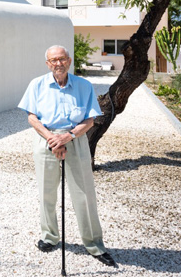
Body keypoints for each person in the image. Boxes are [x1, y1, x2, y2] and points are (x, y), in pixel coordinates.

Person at [18, 45, 117, 268]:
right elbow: (32, 117)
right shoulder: (37, 84)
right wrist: (52, 138)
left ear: (69, 61)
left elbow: (90, 120)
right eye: (53, 60)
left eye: (62, 59)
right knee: (46, 192)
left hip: (76, 139)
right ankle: (49, 236)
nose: (58, 63)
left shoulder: (83, 85)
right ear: (47, 64)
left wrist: (68, 137)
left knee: (84, 193)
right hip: (46, 139)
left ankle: (94, 244)